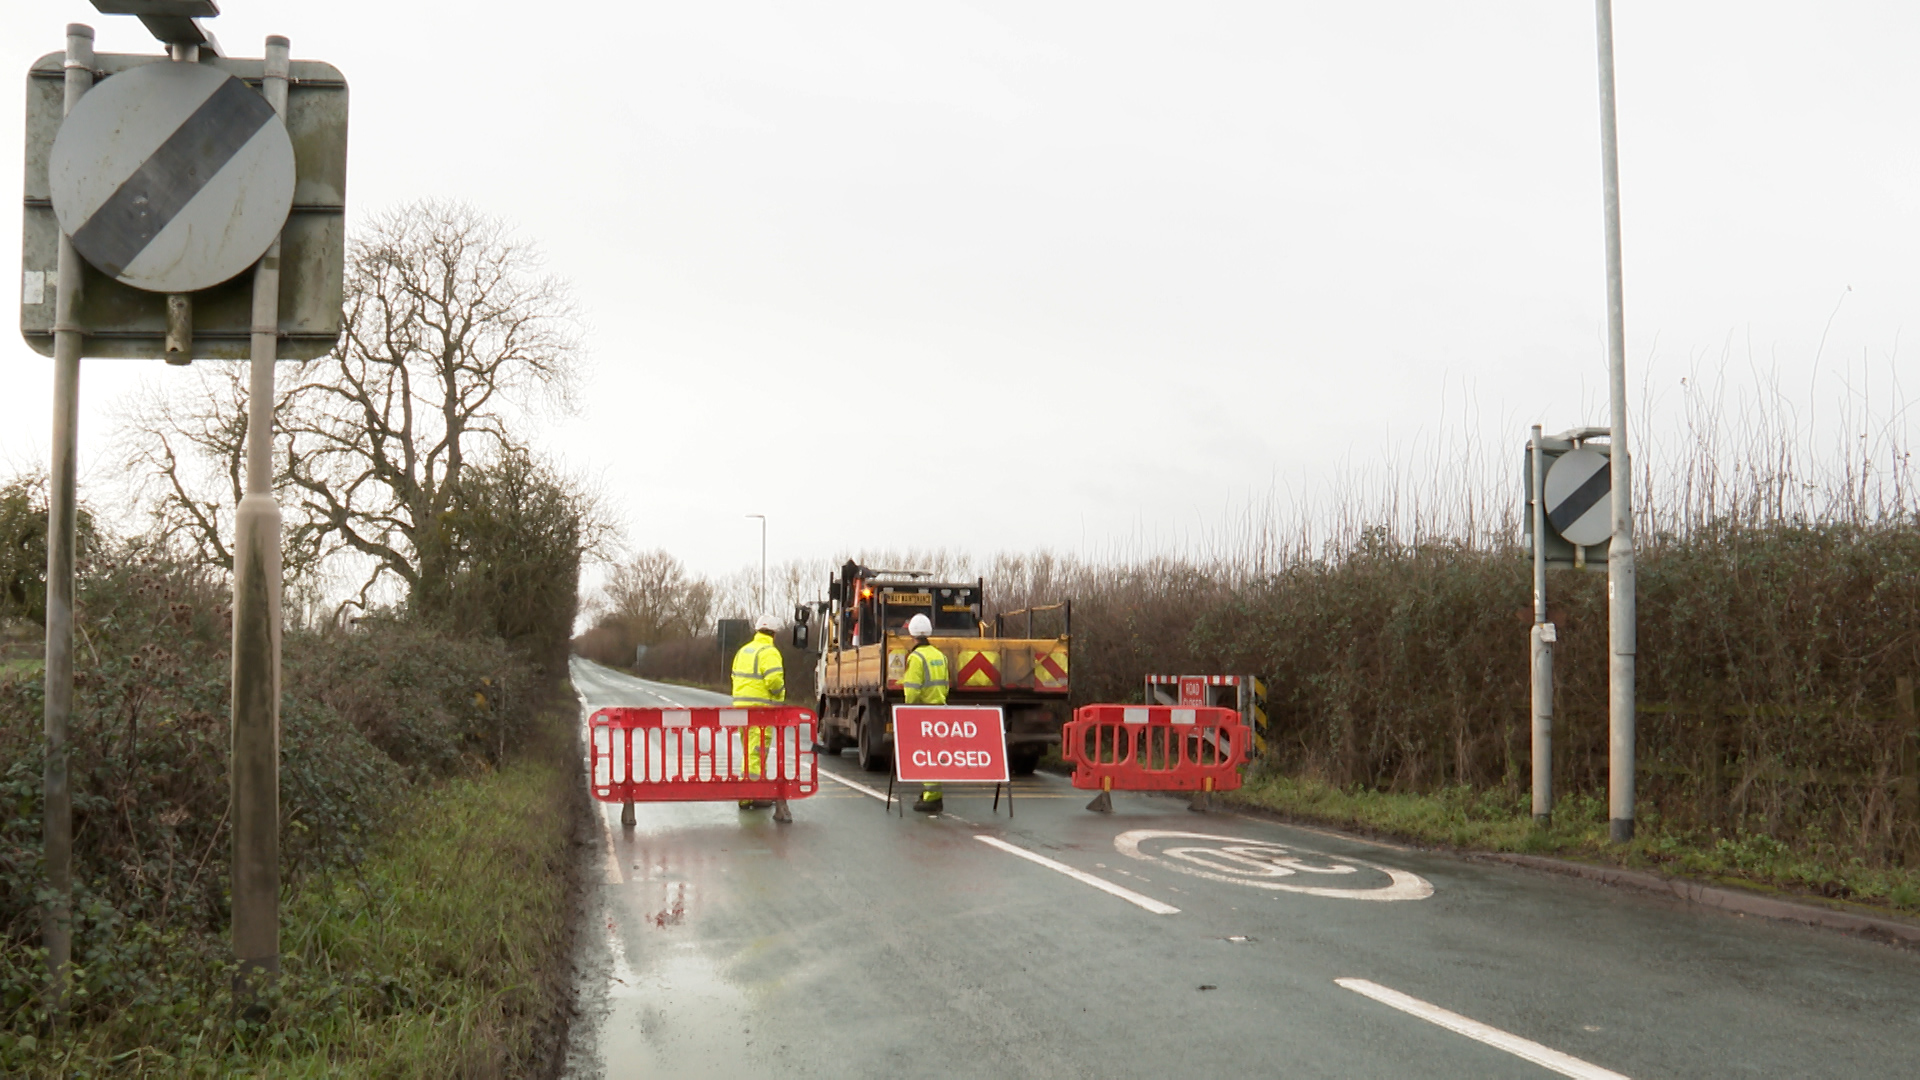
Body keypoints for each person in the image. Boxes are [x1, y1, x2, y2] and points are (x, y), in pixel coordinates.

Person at [731, 613, 786, 813]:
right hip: (761, 710)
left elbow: (735, 676)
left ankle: (746, 793)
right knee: (757, 752)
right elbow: (774, 681)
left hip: (741, 708)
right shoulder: (769, 651)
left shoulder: (743, 650)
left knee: (748, 751)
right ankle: (752, 794)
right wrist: (779, 697)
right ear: (774, 633)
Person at [899, 613, 950, 813]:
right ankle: (931, 794)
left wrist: (908, 711)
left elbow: (912, 690)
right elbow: (946, 685)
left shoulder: (916, 657)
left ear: (912, 634)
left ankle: (931, 797)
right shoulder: (940, 655)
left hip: (923, 711)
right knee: (936, 753)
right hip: (940, 708)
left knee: (927, 754)